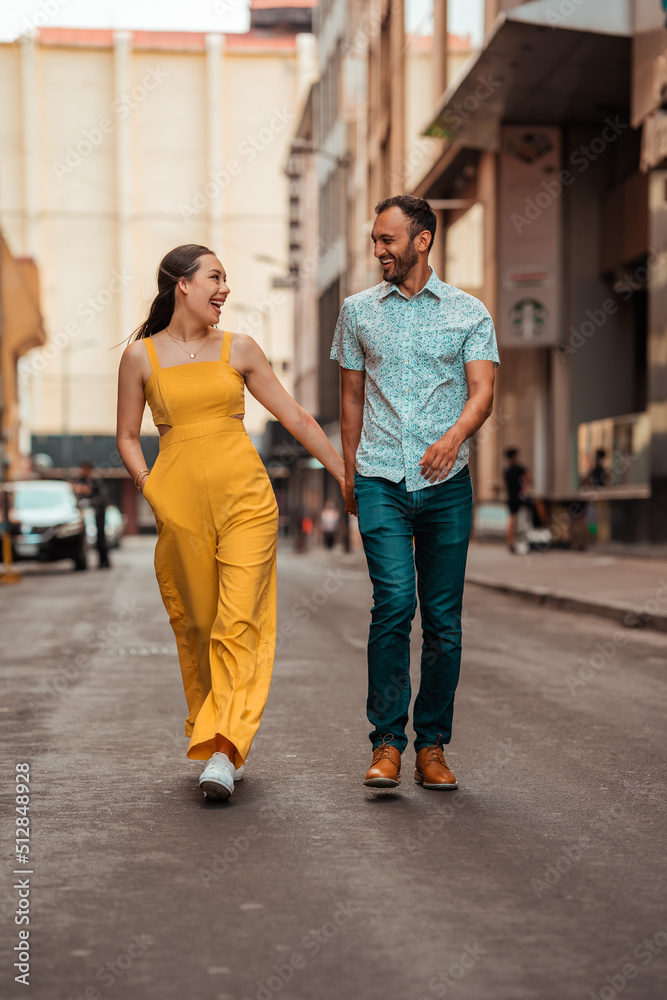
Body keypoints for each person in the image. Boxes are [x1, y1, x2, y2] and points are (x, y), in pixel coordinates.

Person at [116, 244, 344, 802]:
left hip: (247, 503)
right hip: (180, 510)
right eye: (215, 278)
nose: (224, 289)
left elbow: (293, 415)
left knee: (237, 623)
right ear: (182, 286)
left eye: (226, 280)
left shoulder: (239, 348)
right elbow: (125, 435)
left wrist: (343, 472)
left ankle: (224, 748)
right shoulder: (140, 358)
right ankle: (211, 724)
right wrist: (151, 487)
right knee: (197, 624)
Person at [331, 195, 499, 792]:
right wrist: (349, 476)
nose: (379, 250)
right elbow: (350, 399)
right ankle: (386, 743)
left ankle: (432, 745)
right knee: (396, 602)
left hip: (446, 485)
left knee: (445, 621)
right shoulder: (356, 312)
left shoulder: (469, 312)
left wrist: (455, 437)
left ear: (421, 240)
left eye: (388, 240)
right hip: (379, 477)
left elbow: (482, 392)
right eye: (376, 241)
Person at [503, 448, 547, 552]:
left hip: (510, 497)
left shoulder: (506, 470)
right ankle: (543, 524)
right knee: (538, 502)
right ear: (514, 456)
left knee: (511, 520)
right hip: (520, 497)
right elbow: (529, 480)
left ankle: (510, 543)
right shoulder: (519, 468)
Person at [72, 459, 110, 569]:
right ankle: (82, 562)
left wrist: (92, 501)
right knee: (81, 536)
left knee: (100, 536)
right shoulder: (81, 479)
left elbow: (101, 497)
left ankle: (104, 561)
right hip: (86, 510)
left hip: (98, 510)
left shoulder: (96, 480)